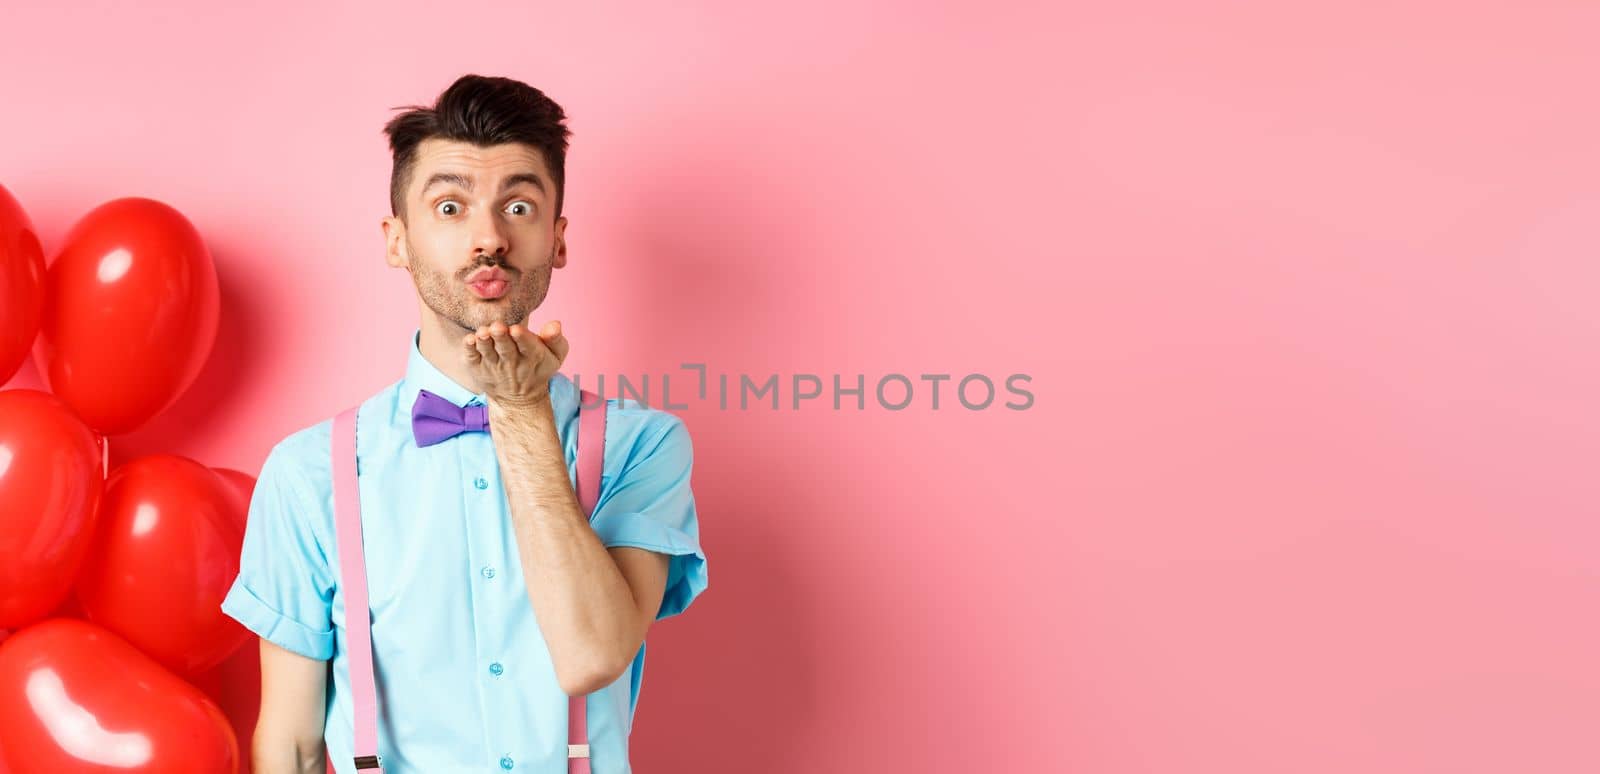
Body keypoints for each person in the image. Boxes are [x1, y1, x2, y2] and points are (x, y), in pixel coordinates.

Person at [220, 73, 709, 774]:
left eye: (518, 205)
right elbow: (292, 745)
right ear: (397, 240)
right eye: (450, 206)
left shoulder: (643, 445)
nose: (488, 238)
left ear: (557, 239)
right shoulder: (308, 473)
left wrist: (519, 410)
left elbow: (594, 655)